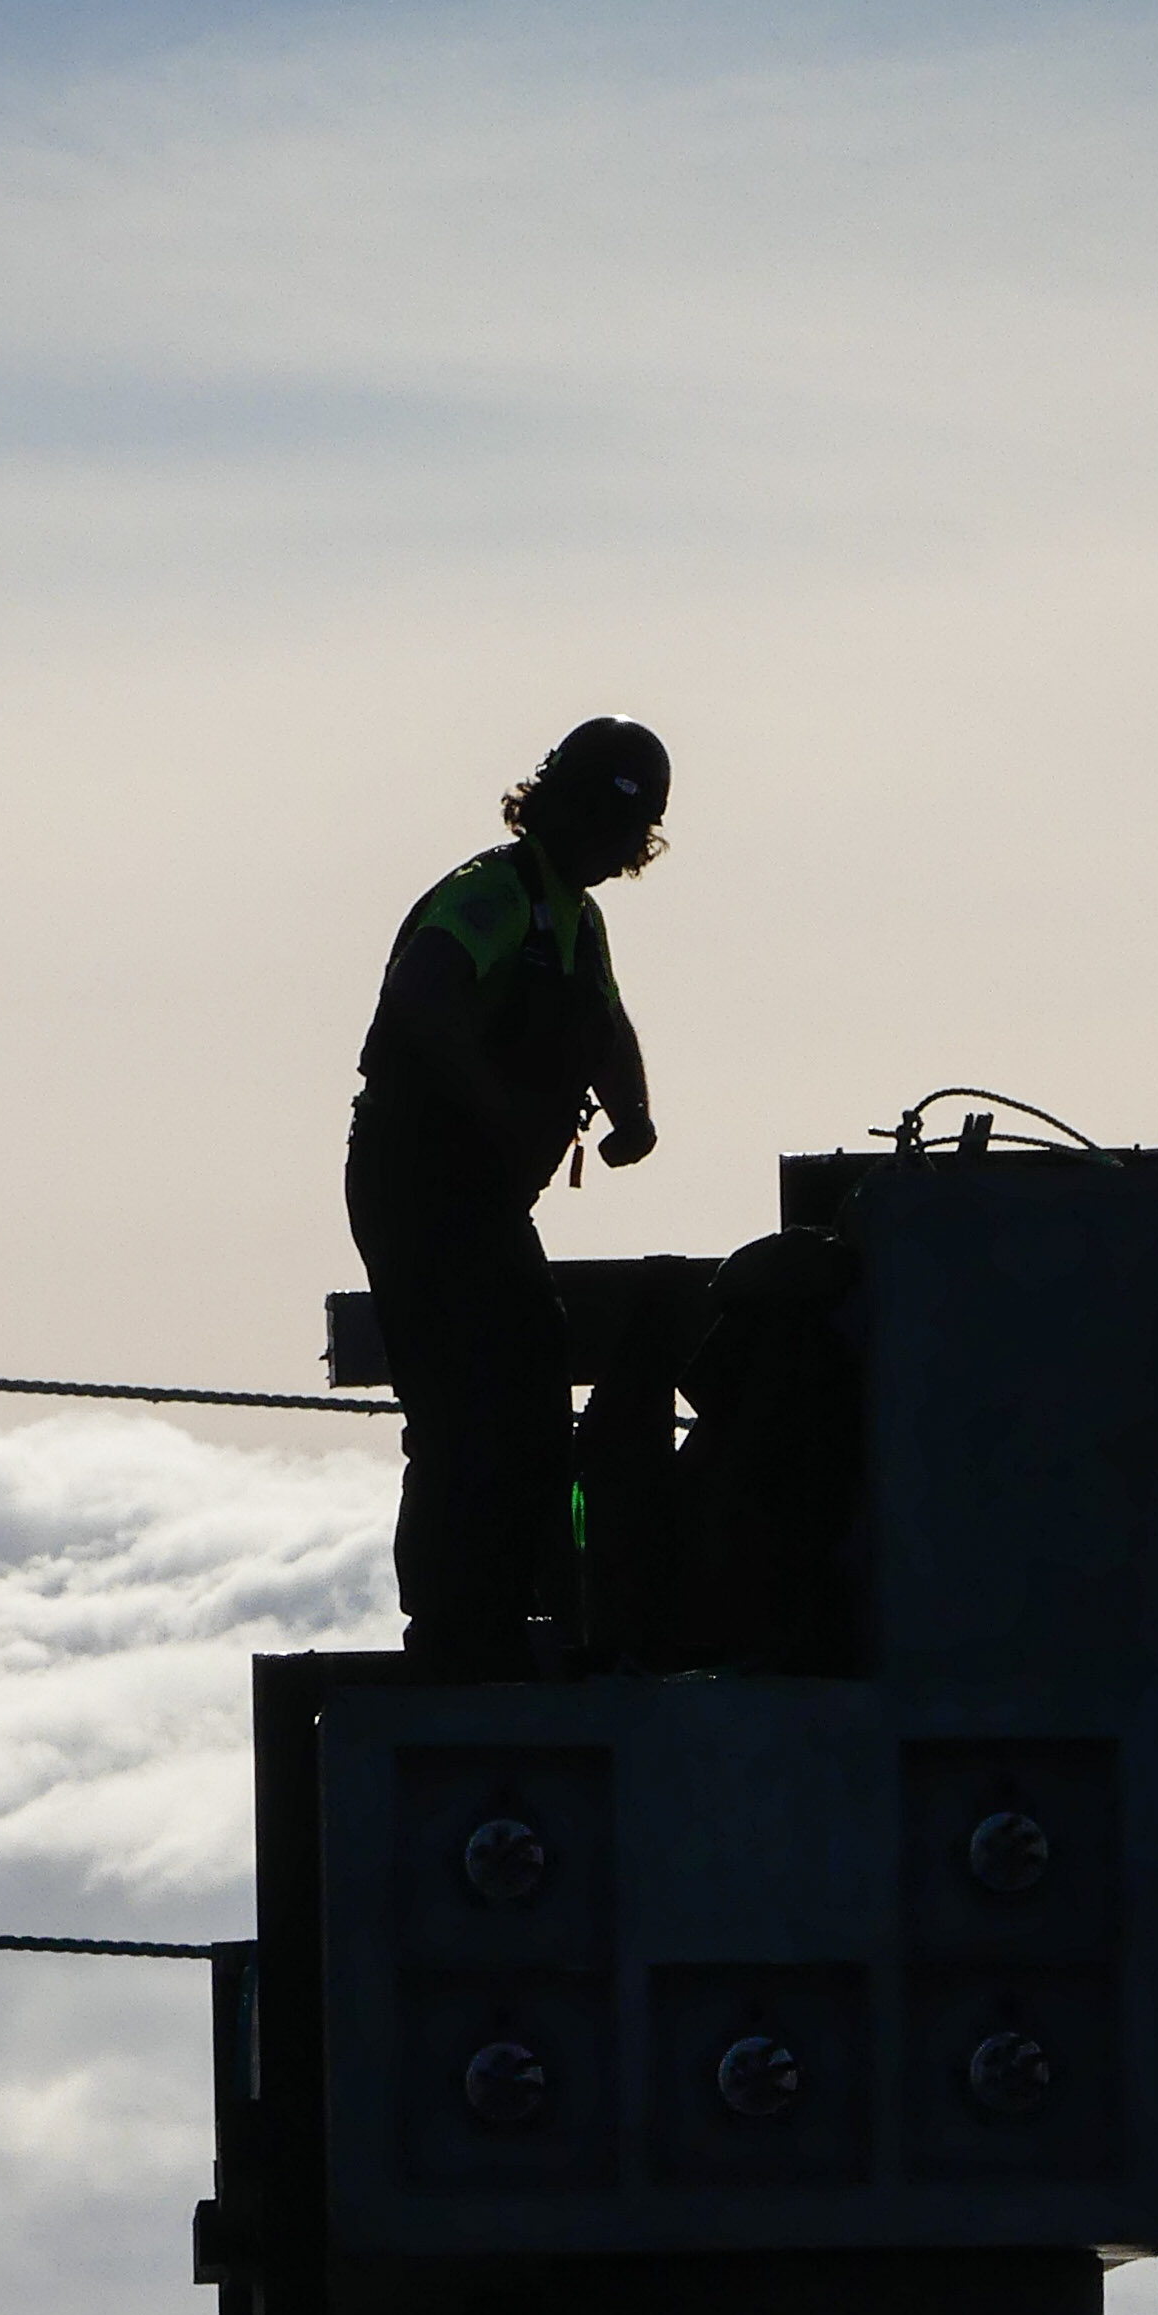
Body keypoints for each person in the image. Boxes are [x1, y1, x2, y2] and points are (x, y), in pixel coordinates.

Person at [347, 716, 669, 1674]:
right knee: (459, 1408)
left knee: (531, 1391)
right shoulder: (490, 897)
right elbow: (419, 997)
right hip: (419, 1189)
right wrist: (493, 1105)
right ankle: (453, 1633)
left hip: (485, 1204)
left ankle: (526, 1609)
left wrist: (633, 1116)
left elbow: (604, 1022)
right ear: (556, 804)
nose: (613, 852)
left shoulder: (577, 920)